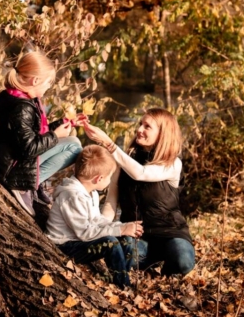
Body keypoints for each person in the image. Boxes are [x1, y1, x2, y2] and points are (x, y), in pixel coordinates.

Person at [83, 108, 195, 277]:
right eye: (140, 124)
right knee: (127, 259)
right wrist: (102, 229)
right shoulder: (123, 161)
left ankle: (167, 271)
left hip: (169, 233)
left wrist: (107, 142)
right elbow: (111, 203)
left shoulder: (173, 164)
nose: (139, 129)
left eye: (147, 126)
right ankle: (146, 265)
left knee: (184, 261)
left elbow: (141, 173)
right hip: (135, 234)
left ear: (162, 134)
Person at [0, 48, 87, 217]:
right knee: (73, 147)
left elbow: (31, 133)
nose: (49, 87)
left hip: (13, 160)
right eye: (48, 82)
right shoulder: (22, 108)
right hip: (10, 171)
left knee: (73, 143)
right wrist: (56, 136)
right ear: (35, 81)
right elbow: (29, 147)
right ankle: (24, 185)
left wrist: (65, 123)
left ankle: (33, 182)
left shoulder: (17, 98)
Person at [45, 145, 143, 288]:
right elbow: (85, 233)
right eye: (109, 177)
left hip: (79, 239)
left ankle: (122, 277)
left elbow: (97, 220)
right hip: (65, 245)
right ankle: (124, 287)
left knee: (126, 240)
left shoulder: (92, 193)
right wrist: (119, 230)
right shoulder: (73, 196)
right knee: (110, 243)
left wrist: (122, 227)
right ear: (98, 179)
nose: (110, 181)